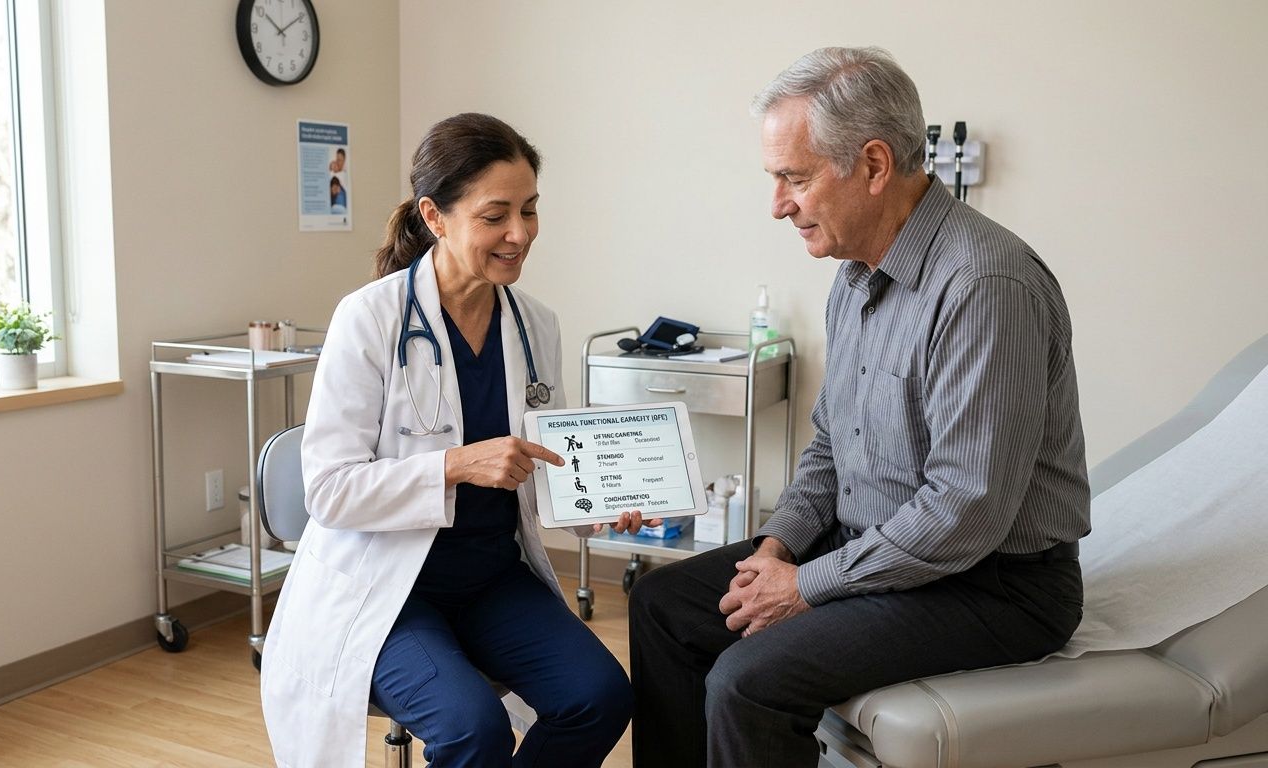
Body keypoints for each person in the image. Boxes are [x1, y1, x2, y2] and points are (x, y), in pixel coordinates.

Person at [628, 47, 1091, 767]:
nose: (778, 204)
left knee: (747, 682)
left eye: (795, 178)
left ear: (874, 166)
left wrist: (805, 585)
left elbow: (965, 508)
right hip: (872, 545)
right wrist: (778, 546)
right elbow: (828, 445)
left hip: (993, 586)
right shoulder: (855, 274)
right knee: (665, 607)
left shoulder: (985, 285)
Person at [261, 112, 641, 768]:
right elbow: (328, 490)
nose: (519, 234)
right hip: (384, 592)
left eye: (530, 210)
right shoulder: (370, 320)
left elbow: (549, 466)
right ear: (435, 217)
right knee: (475, 730)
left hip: (492, 580)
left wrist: (600, 504)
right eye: (496, 215)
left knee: (600, 696)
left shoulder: (534, 326)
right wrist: (455, 465)